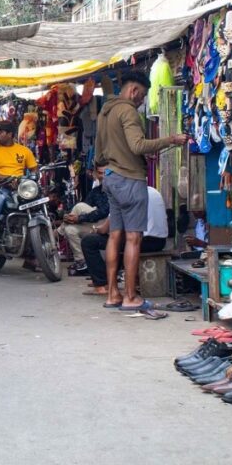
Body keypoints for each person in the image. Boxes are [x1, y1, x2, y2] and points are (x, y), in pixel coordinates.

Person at [95, 71, 188, 309]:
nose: (142, 101)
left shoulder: (105, 112)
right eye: (142, 96)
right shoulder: (128, 111)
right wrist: (172, 140)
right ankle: (130, 297)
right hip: (129, 179)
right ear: (133, 91)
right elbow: (138, 146)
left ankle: (112, 294)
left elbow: (98, 155)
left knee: (115, 236)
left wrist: (108, 169)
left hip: (111, 178)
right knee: (134, 238)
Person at [81, 186, 168, 296]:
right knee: (121, 240)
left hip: (143, 241)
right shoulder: (153, 191)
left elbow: (105, 229)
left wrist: (95, 229)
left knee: (89, 241)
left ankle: (102, 285)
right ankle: (113, 279)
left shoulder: (124, 194)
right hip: (160, 242)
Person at [0, 120, 38, 276]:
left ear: (10, 134)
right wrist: (6, 178)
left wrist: (32, 178)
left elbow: (34, 169)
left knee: (38, 212)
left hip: (20, 189)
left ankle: (32, 255)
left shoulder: (24, 151)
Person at [60, 166, 110, 274]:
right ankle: (82, 262)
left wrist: (79, 218)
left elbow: (105, 212)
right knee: (70, 229)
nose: (103, 176)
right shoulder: (96, 191)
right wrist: (72, 217)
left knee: (79, 206)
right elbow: (87, 209)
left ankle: (58, 233)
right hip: (95, 224)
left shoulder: (114, 190)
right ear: (96, 174)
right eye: (100, 173)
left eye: (106, 173)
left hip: (109, 224)